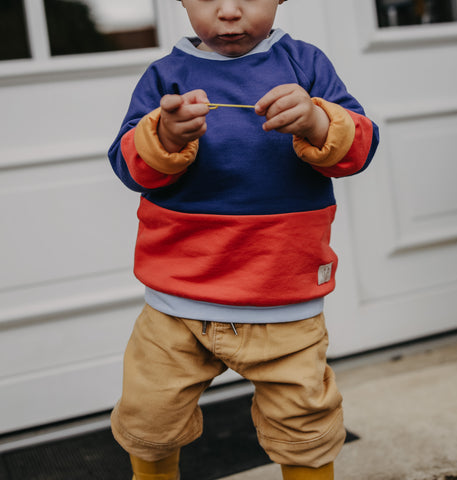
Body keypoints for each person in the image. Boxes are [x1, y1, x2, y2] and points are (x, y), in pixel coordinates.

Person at [108, 1, 379, 479]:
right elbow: (129, 167)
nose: (228, 11)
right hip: (177, 303)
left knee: (305, 432)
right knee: (148, 419)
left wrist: (317, 122)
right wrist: (165, 138)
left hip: (284, 300)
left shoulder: (306, 64)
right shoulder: (165, 77)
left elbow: (358, 150)